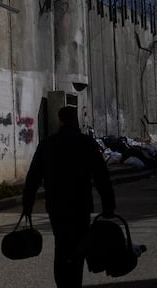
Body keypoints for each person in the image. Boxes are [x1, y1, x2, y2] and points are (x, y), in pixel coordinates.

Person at [22, 106, 116, 288]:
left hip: (57, 207)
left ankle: (63, 284)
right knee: (79, 246)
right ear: (76, 120)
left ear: (60, 121)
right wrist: (108, 205)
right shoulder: (87, 143)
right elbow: (101, 177)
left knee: (61, 245)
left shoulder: (47, 144)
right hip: (81, 206)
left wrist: (28, 205)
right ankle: (75, 283)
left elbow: (33, 177)